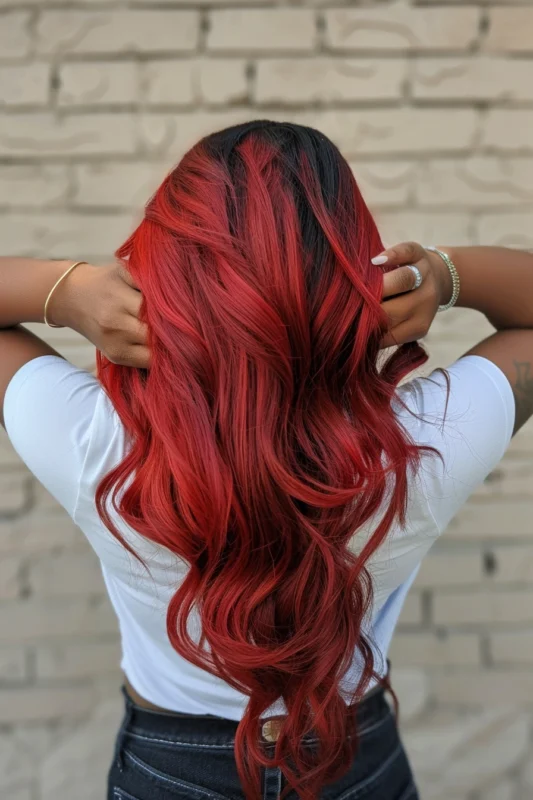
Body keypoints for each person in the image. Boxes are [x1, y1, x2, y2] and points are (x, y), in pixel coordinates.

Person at [0, 120, 531, 800]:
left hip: (171, 768)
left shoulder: (93, 441)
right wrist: (445, 273)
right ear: (351, 268)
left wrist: (63, 289)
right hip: (352, 761)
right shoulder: (424, 446)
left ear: (163, 272)